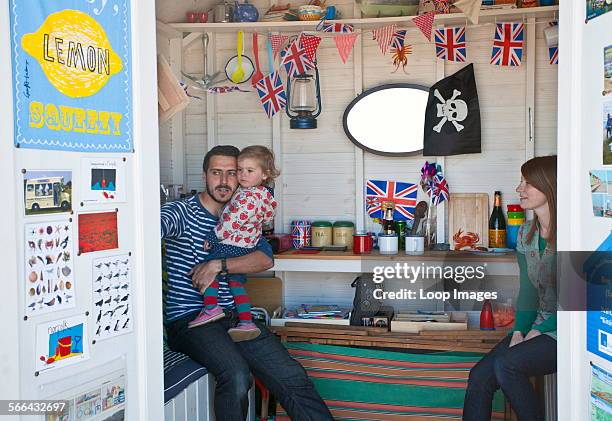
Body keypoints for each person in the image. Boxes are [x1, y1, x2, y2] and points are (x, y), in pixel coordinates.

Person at [161, 145, 333, 421]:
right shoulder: (181, 212)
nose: (225, 180)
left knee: (292, 377)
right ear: (204, 174)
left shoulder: (244, 211)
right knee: (237, 375)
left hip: (234, 319)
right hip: (189, 320)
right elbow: (149, 226)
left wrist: (218, 265)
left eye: (233, 173)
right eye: (217, 173)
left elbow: (264, 259)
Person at [463, 156, 557, 421]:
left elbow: (577, 301)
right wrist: (519, 331)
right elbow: (528, 291)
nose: (519, 189)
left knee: (508, 365)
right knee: (480, 376)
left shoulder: (574, 234)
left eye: (527, 183)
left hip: (568, 330)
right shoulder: (527, 233)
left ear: (549, 185)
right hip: (536, 326)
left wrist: (538, 330)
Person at [187, 146, 279, 342]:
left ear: (264, 174)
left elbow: (232, 222)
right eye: (240, 170)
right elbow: (268, 216)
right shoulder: (263, 194)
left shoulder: (248, 197)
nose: (241, 176)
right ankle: (246, 321)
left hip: (230, 244)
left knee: (212, 268)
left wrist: (214, 238)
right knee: (236, 282)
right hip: (247, 245)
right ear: (204, 175)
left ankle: (211, 307)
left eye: (232, 173)